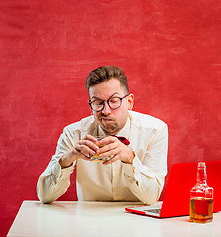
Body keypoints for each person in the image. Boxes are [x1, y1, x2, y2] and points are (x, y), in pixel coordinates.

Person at [37, 65, 168, 205]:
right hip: (88, 221)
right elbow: (45, 196)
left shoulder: (155, 130)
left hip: (138, 218)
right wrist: (67, 159)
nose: (105, 111)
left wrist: (130, 158)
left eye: (114, 101)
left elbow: (151, 197)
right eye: (98, 103)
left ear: (129, 102)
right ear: (90, 107)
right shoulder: (73, 133)